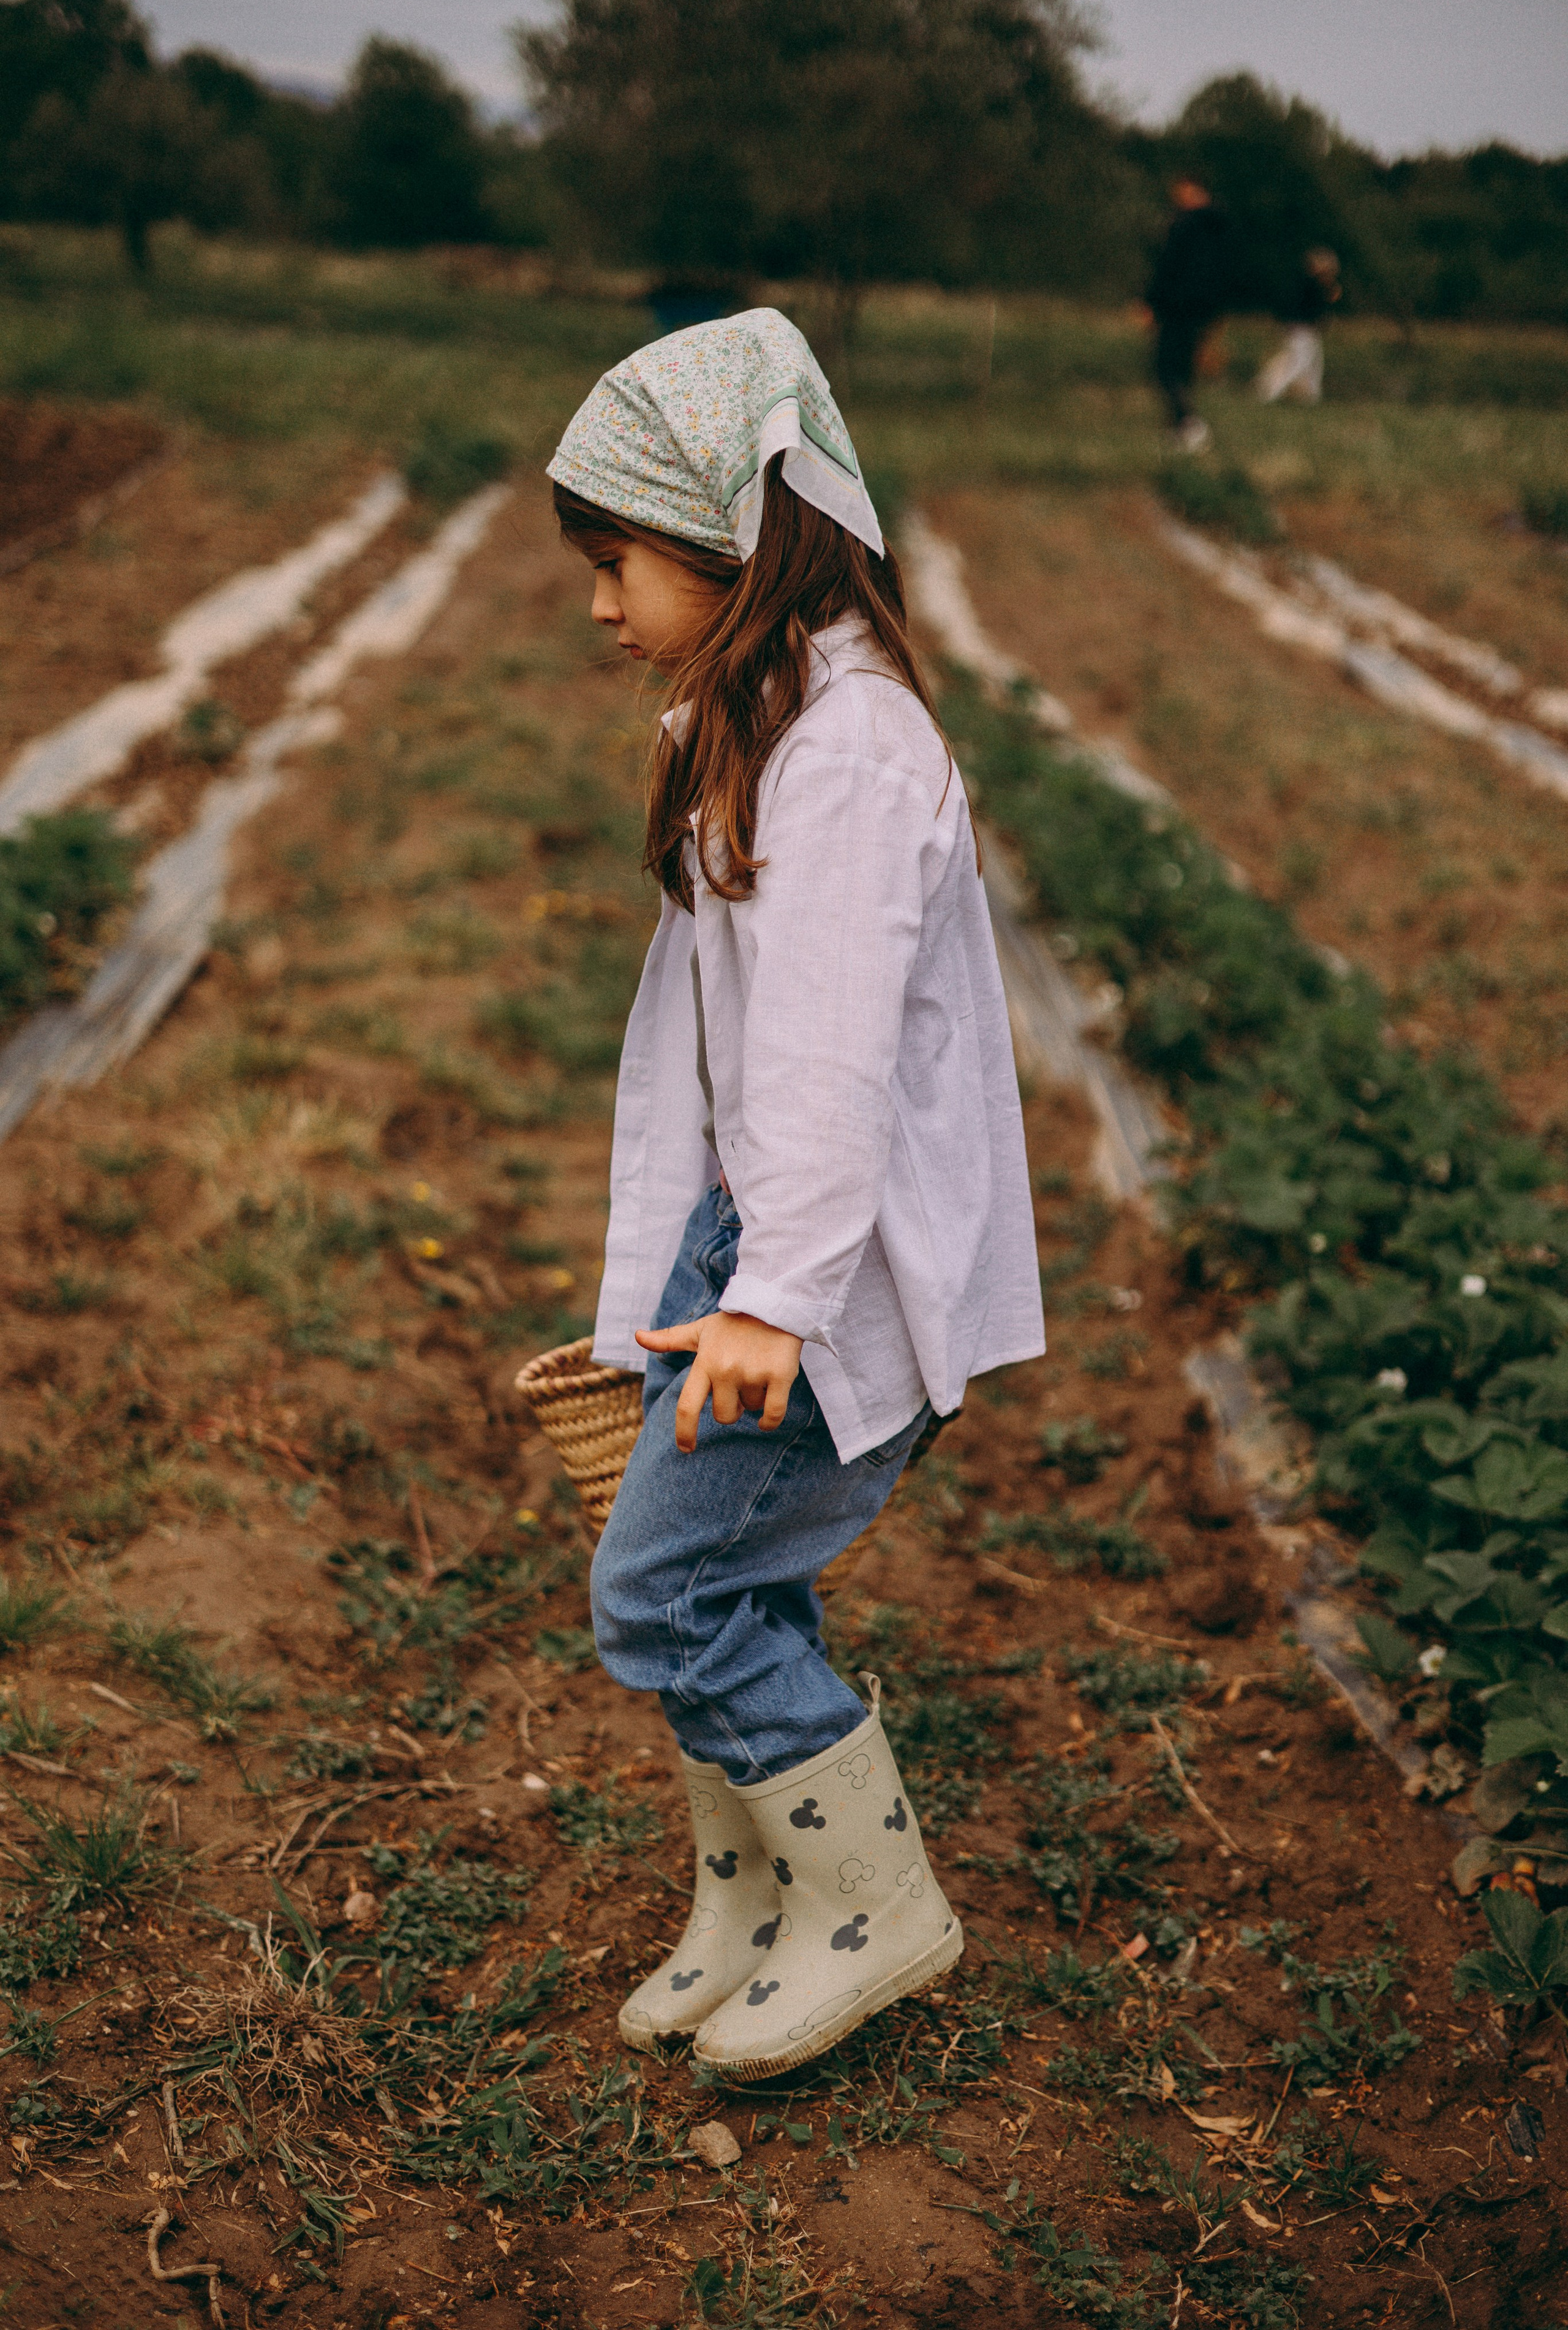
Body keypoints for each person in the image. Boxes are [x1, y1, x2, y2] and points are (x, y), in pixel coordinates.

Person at [546, 308, 1044, 2081]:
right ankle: (752, 1902)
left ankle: (873, 1909)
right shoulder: (772, 718)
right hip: (758, 1231)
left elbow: (828, 1060)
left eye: (618, 560)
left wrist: (771, 1299)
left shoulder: (845, 754)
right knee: (731, 1581)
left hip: (814, 1261)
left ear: (731, 541)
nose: (599, 604)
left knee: (662, 1593)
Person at [1144, 176, 1237, 453]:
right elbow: (1227, 273)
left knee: (1165, 367)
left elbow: (1169, 268)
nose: (1178, 196)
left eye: (1183, 190)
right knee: (1183, 368)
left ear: (1197, 191)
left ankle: (1188, 424)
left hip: (1177, 307)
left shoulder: (1185, 226)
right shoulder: (1222, 227)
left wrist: (1152, 302)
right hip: (1203, 309)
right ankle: (1180, 428)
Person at [1256, 246, 1341, 405]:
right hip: (1300, 328)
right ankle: (1269, 393)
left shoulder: (1305, 282)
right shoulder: (1310, 283)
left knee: (1313, 363)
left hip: (1301, 328)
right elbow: (1314, 309)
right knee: (1297, 362)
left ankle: (1311, 397)